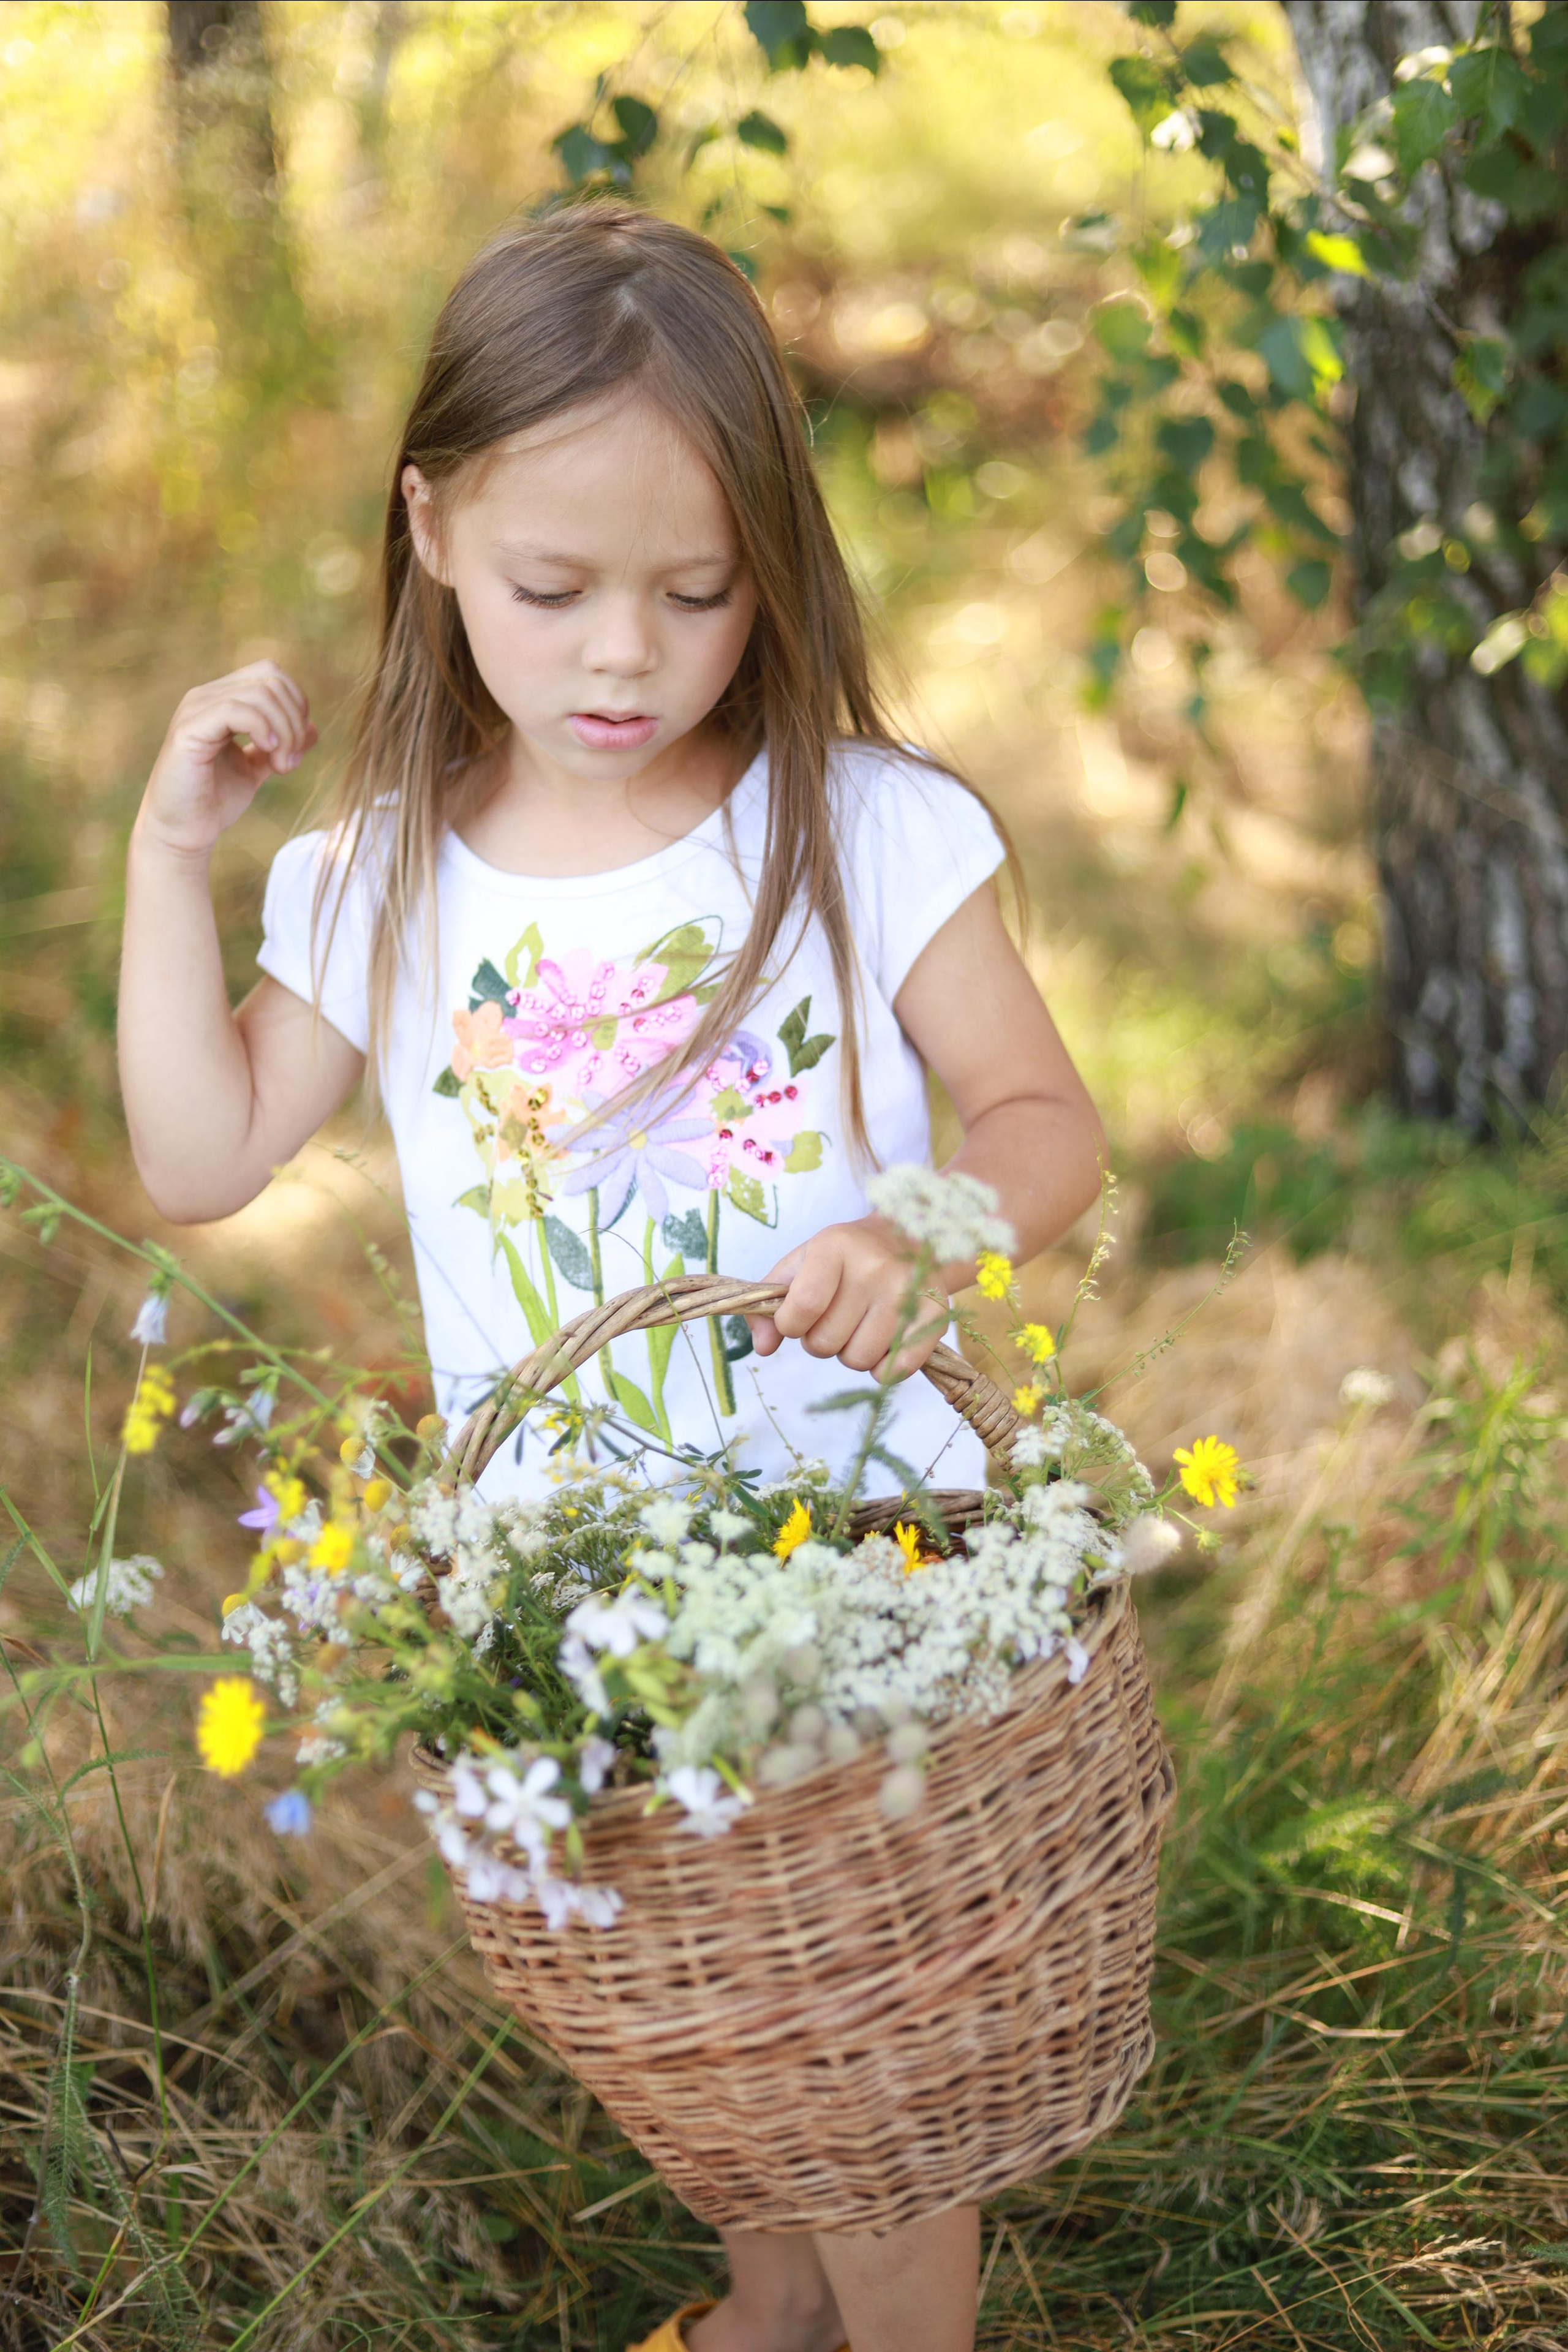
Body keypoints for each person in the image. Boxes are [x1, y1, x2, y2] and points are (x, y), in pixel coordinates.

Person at [118, 200, 1103, 2352]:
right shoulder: (380, 880)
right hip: (573, 1579)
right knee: (711, 2018)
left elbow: (1047, 1126)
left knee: (869, 2044)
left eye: (696, 592)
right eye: (556, 591)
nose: (623, 661)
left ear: (777, 561)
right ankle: (771, 2309)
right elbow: (197, 1157)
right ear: (437, 529)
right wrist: (167, 856)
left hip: (852, 1545)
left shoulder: (862, 830)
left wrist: (919, 1237)